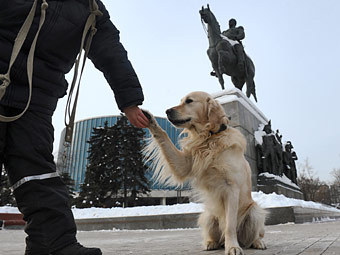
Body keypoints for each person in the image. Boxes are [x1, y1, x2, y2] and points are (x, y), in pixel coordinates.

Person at [0, 0, 149, 254]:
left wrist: (130, 101)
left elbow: (112, 52)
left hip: (36, 103)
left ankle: (53, 245)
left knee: (38, 174)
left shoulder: (91, 10)